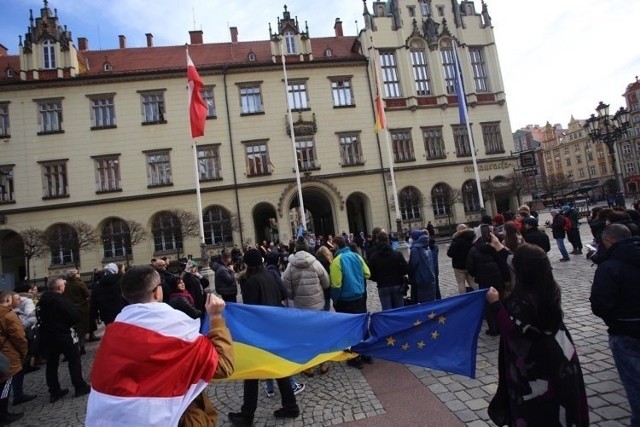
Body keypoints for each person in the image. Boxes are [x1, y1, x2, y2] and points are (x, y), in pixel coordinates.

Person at [86, 265, 234, 426]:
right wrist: (216, 317)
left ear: (124, 295)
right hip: (173, 419)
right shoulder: (177, 328)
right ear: (157, 292)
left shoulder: (112, 333)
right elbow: (223, 365)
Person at [485, 243, 589, 426]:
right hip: (560, 353)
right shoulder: (549, 286)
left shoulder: (524, 298)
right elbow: (521, 260)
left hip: (534, 363)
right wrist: (500, 247)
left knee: (538, 409)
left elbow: (512, 330)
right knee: (562, 401)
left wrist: (495, 304)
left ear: (522, 269)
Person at [229, 248, 300, 426]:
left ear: (247, 264)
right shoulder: (271, 275)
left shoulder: (251, 282)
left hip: (260, 332)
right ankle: (290, 406)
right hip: (275, 327)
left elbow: (250, 311)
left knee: (252, 372)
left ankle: (247, 415)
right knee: (277, 367)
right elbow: (283, 295)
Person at [590, 224, 640, 425]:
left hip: (626, 330)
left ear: (608, 241)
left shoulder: (609, 266)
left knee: (635, 383)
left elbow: (601, 304)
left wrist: (616, 320)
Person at [38, 276, 91, 403]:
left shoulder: (42, 301)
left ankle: (54, 391)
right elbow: (73, 316)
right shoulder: (60, 301)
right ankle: (79, 386)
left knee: (51, 364)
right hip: (64, 335)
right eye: (63, 285)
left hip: (48, 337)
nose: (65, 287)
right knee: (74, 360)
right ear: (59, 288)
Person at [330, 235, 371, 369]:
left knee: (349, 328)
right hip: (359, 297)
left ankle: (355, 357)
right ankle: (367, 353)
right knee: (361, 325)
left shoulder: (337, 261)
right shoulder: (356, 256)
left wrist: (334, 299)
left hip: (345, 300)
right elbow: (367, 273)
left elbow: (336, 284)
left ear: (336, 245)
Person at [467, 226, 511, 336]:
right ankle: (503, 324)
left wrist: (476, 275)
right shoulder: (495, 246)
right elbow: (503, 262)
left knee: (488, 304)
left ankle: (493, 328)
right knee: (500, 300)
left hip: (483, 279)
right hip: (498, 277)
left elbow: (470, 267)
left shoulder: (474, 249)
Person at [0, 292, 28, 424]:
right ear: (7, 299)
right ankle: (3, 415)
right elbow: (19, 337)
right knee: (5, 385)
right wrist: (24, 352)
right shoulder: (8, 315)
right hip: (7, 354)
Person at [368, 231, 409, 310]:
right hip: (397, 284)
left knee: (387, 311)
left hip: (383, 286)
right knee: (399, 310)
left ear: (377, 241)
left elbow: (370, 274)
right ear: (387, 240)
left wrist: (377, 279)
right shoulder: (397, 254)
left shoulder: (374, 257)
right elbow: (405, 269)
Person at [62, 269, 90, 355]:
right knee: (82, 329)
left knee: (74, 330)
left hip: (69, 309)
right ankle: (82, 347)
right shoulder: (79, 283)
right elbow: (87, 295)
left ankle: (75, 347)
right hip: (81, 309)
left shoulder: (65, 285)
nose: (79, 274)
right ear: (74, 275)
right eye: (78, 273)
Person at [408, 229, 436, 303]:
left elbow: (413, 264)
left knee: (421, 301)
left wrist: (410, 276)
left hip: (420, 279)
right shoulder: (427, 246)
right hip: (430, 277)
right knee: (430, 300)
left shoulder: (415, 249)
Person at [447, 224, 477, 294]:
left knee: (461, 283)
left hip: (459, 266)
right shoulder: (472, 238)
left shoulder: (457, 240)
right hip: (470, 265)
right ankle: (477, 294)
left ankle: (463, 297)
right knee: (472, 282)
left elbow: (450, 253)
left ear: (458, 230)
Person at [315, 246, 334, 311]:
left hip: (318, 284)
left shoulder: (315, 261)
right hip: (327, 284)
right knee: (327, 301)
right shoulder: (329, 261)